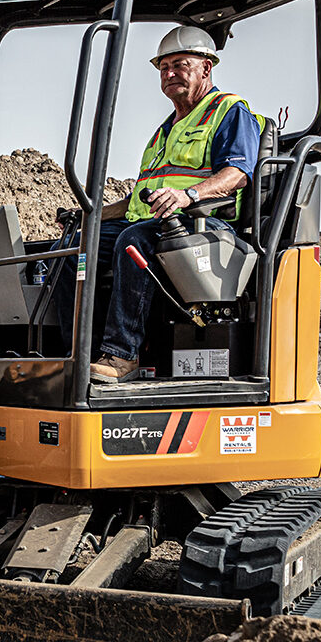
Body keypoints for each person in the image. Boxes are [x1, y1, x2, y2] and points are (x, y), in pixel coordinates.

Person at [56, 26, 263, 383]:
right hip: (154, 222)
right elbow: (139, 197)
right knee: (73, 249)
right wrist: (90, 215)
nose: (169, 73)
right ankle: (78, 353)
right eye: (163, 67)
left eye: (179, 64)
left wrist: (189, 196)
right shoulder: (163, 132)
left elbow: (238, 174)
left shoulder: (228, 111)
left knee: (134, 240)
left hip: (205, 225)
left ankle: (123, 355)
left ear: (206, 68)